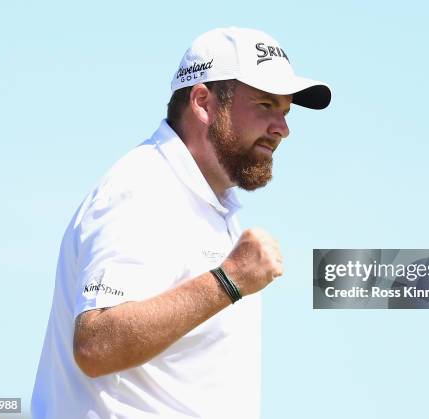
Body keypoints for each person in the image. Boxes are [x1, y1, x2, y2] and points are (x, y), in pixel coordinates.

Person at [31, 27, 331, 419]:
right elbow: (95, 344)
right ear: (204, 102)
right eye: (264, 104)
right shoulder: (142, 188)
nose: (282, 128)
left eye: (285, 112)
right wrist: (230, 279)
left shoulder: (209, 201)